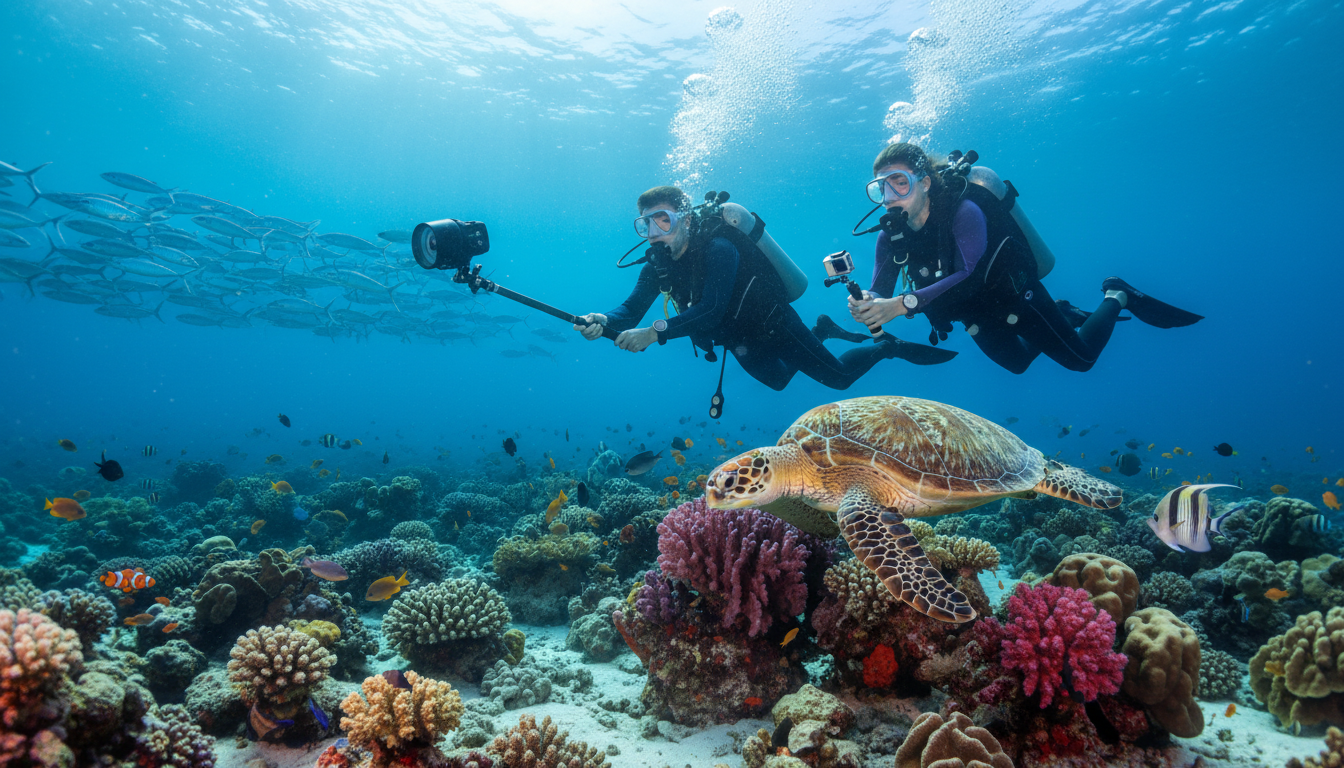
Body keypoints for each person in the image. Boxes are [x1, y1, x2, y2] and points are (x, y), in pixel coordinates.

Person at [821, 143, 1202, 374]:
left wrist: (902, 305)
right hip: (970, 313)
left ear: (925, 180)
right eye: (880, 188)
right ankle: (1066, 312)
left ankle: (1116, 294)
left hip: (1015, 295)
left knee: (1081, 361)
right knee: (1018, 365)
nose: (889, 196)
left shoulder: (963, 210)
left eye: (899, 182)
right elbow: (880, 288)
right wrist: (869, 303)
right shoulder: (891, 234)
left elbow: (970, 275)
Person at [573, 185, 955, 392]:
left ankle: (886, 348)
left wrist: (654, 334)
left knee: (838, 378)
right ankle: (822, 329)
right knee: (777, 382)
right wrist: (602, 320)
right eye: (646, 225)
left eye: (663, 221)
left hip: (773, 321)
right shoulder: (658, 264)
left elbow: (711, 308)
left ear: (685, 219)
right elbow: (631, 308)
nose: (655, 234)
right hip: (737, 338)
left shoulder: (719, 247)